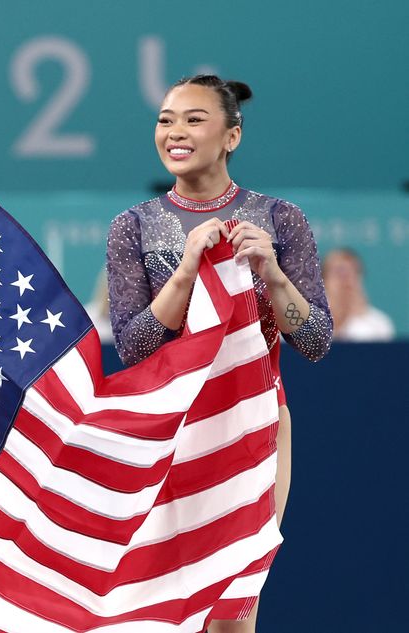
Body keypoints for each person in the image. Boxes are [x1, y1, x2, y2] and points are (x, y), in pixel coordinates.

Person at [105, 74, 332, 632]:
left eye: (193, 119)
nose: (175, 132)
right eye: (165, 120)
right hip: (165, 436)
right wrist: (184, 271)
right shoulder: (132, 227)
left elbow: (317, 341)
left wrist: (273, 274)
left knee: (233, 614)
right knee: (158, 612)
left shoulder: (280, 220)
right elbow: (133, 348)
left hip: (252, 428)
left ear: (232, 136)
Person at [322, 247, 395, 341]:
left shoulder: (379, 324)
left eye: (353, 273)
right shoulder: (310, 321)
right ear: (323, 281)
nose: (346, 280)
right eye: (339, 272)